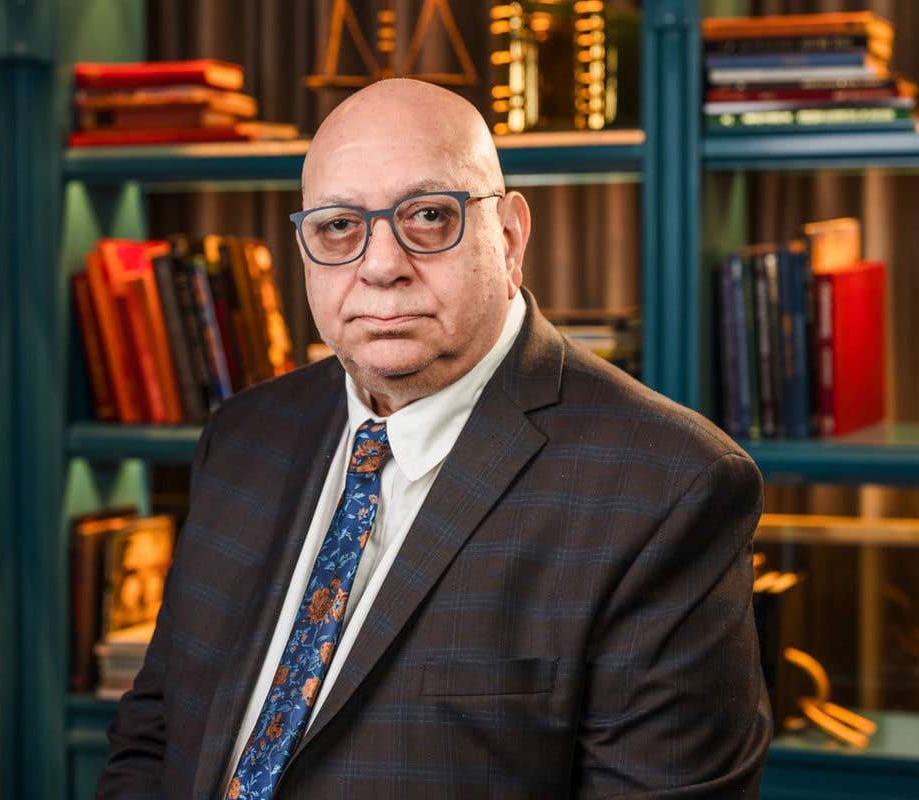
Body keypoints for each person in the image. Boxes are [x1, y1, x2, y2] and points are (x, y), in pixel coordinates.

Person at [98, 78, 771, 799]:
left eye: (428, 215)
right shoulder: (242, 437)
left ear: (509, 237)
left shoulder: (667, 486)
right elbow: (159, 734)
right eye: (337, 226)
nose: (382, 265)